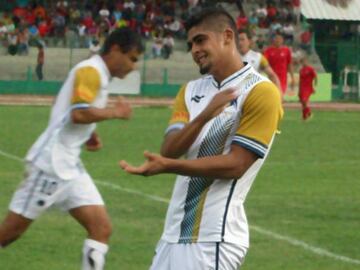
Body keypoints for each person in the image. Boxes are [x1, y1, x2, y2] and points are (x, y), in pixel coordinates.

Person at [120, 7, 283, 270]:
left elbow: (236, 165)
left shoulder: (260, 91)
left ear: (227, 36)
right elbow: (170, 149)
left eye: (200, 40)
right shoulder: (190, 90)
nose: (194, 49)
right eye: (190, 44)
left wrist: (168, 167)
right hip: (173, 235)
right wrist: (204, 116)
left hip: (214, 238)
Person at [0, 27, 144, 270]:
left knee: (101, 228)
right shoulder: (90, 71)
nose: (133, 66)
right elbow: (78, 113)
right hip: (50, 164)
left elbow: (65, 106)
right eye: (132, 58)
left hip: (70, 165)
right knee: (9, 233)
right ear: (116, 49)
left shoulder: (97, 73)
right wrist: (114, 113)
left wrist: (89, 134)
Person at [264, 31, 295, 97]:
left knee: (280, 96)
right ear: (273, 40)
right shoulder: (268, 50)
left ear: (282, 40)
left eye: (280, 39)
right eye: (276, 38)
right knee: (272, 96)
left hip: (283, 78)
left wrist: (292, 78)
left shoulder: (286, 50)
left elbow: (289, 64)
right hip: (272, 78)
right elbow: (264, 63)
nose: (278, 40)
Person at [298, 55, 317, 120]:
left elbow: (315, 77)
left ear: (307, 61)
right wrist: (299, 90)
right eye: (302, 62)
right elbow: (300, 80)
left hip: (308, 88)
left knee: (304, 101)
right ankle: (304, 116)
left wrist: (314, 86)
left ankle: (309, 113)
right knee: (303, 103)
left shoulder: (310, 69)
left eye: (304, 62)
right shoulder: (301, 70)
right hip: (302, 88)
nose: (303, 63)